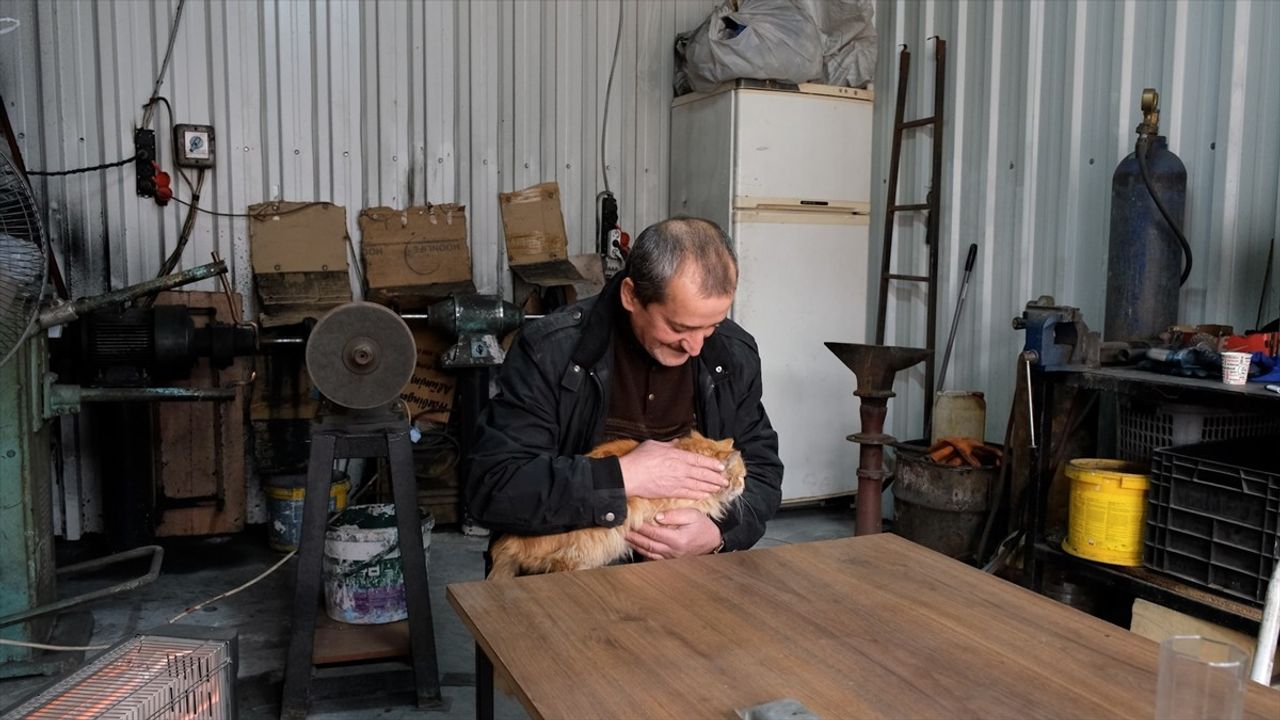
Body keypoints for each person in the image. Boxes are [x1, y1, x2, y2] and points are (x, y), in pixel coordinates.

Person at [466, 217, 782, 560]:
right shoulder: (551, 350)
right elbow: (495, 488)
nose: (695, 347)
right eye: (679, 328)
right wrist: (625, 474)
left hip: (686, 567)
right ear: (631, 295)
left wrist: (719, 533)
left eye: (711, 327)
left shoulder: (732, 354)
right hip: (569, 565)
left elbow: (763, 471)